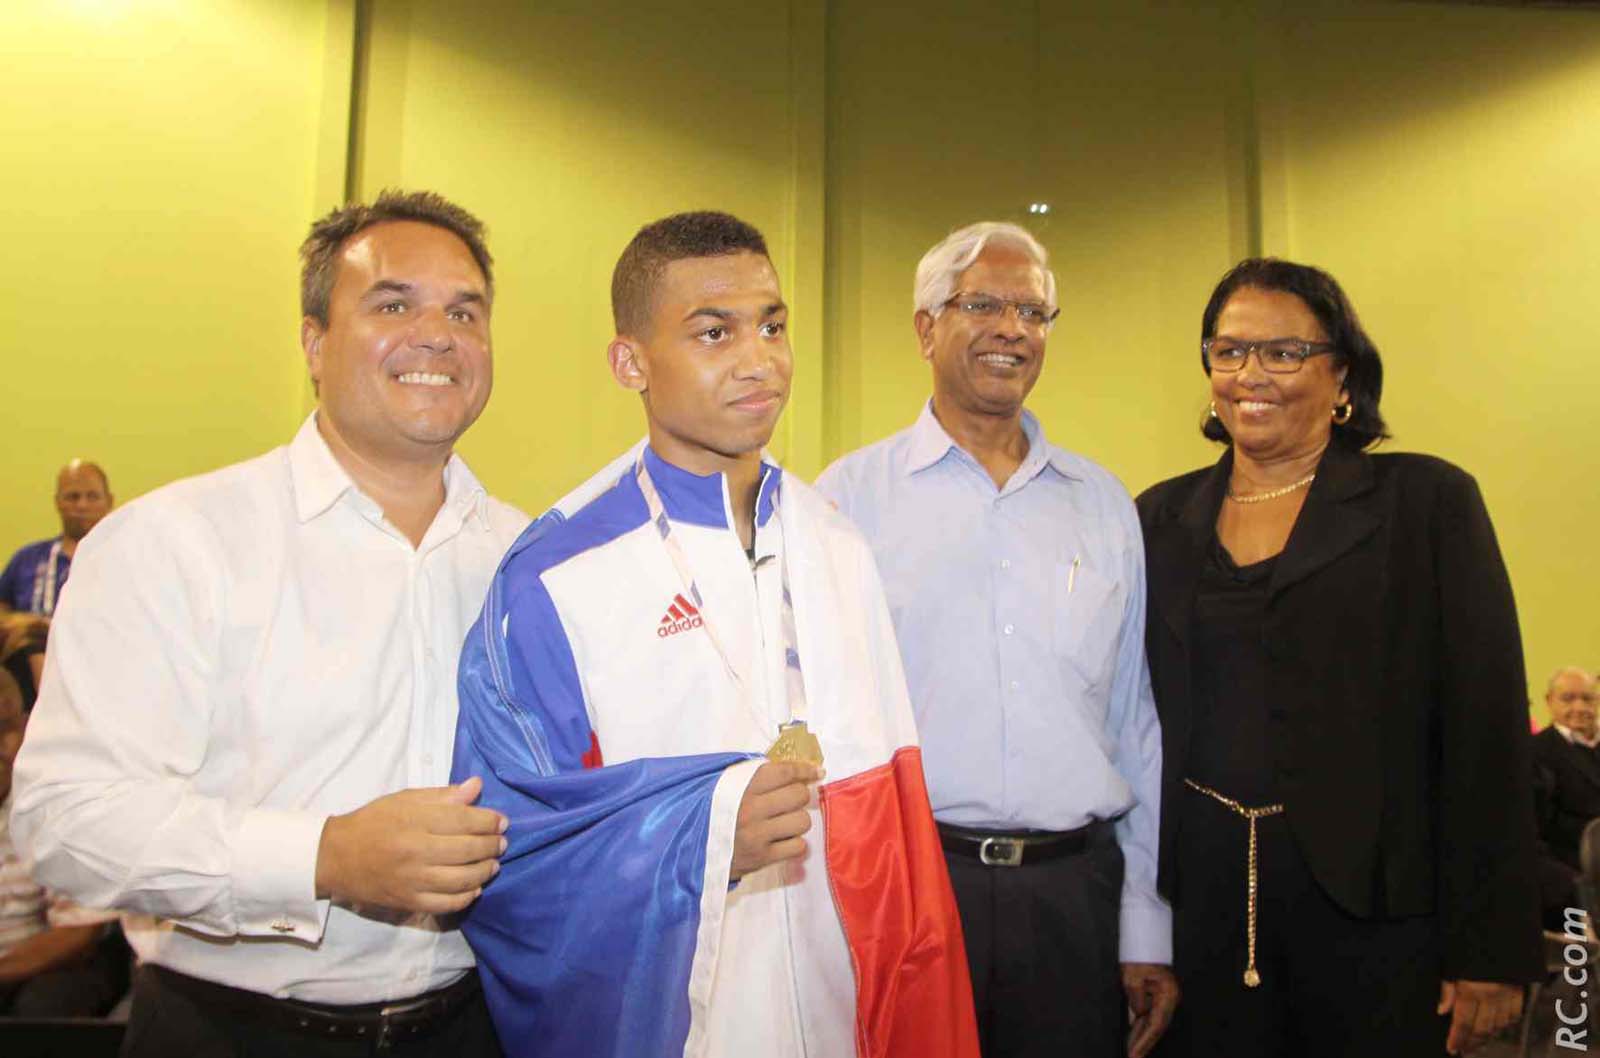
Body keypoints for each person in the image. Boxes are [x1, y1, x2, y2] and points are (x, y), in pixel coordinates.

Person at [10, 190, 529, 1056]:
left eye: (463, 310)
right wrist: (321, 856)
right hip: (229, 1028)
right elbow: (65, 820)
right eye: (393, 303)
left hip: (478, 1025)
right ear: (314, 342)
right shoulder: (172, 542)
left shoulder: (531, 559)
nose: (437, 333)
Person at [451, 211, 978, 1058]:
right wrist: (700, 840)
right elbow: (509, 860)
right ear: (631, 362)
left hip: (847, 1008)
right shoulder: (552, 575)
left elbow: (895, 830)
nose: (759, 359)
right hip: (676, 1024)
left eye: (773, 326)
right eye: (713, 331)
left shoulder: (836, 542)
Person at [1136, 258, 1542, 1057]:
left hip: (1381, 919)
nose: (1251, 374)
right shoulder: (1156, 517)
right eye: (1228, 351)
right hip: (1202, 911)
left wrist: (1491, 949)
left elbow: (1486, 731)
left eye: (1284, 352)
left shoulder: (1426, 502)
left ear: (1343, 373)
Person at [815, 221, 1177, 1058]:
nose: (1013, 328)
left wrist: (1145, 928)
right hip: (911, 891)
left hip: (1074, 899)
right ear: (925, 327)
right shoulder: (847, 499)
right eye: (983, 304)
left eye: (1034, 311)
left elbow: (1136, 723)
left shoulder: (1102, 503)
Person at [0, 668, 128, 1017]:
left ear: (26, 725)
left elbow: (79, 932)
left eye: (3, 729)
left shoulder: (52, 807)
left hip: (37, 973)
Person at [0, 460, 113, 615]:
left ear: (109, 502)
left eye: (92, 496)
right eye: (73, 497)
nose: (82, 505)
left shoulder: (123, 560)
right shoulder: (27, 559)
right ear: (58, 502)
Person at [1532, 666, 1600, 870]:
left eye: (1588, 699)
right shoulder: (1535, 751)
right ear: (1549, 701)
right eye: (1568, 699)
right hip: (1574, 873)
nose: (1579, 707)